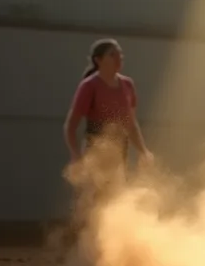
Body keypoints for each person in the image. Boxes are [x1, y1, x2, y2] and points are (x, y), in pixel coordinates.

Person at [62, 38, 153, 175]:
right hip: (95, 149)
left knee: (118, 191)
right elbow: (71, 126)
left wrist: (143, 151)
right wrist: (75, 155)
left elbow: (131, 123)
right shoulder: (89, 86)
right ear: (98, 60)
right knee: (97, 191)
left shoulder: (127, 85)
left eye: (120, 55)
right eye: (112, 55)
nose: (118, 59)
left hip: (120, 149)